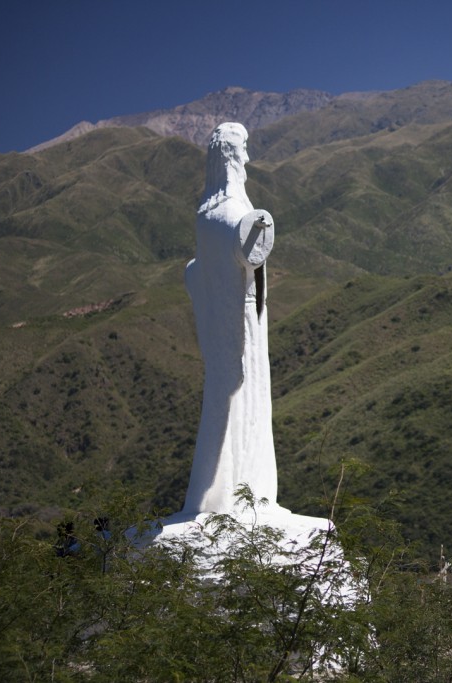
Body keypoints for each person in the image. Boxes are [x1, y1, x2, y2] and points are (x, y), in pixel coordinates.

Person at [182, 122, 278, 515]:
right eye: (243, 150)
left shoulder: (205, 217)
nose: (248, 158)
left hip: (219, 331)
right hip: (244, 330)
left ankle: (223, 493)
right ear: (230, 156)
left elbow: (195, 272)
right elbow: (250, 254)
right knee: (246, 405)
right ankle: (247, 492)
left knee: (222, 404)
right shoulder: (235, 213)